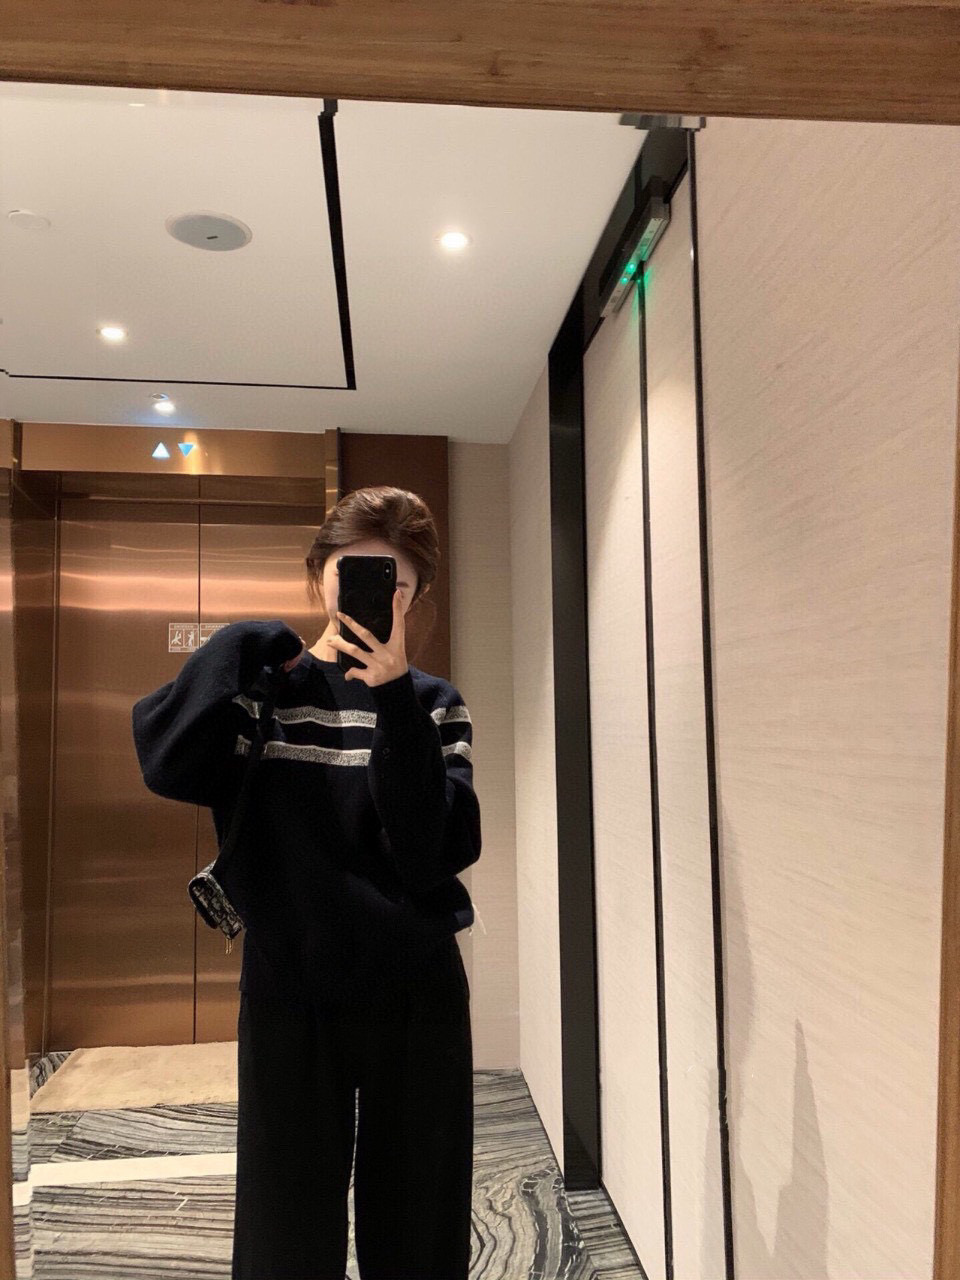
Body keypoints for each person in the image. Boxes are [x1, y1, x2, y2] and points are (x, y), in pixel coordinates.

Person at [131, 485, 481, 1280]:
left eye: (395, 584)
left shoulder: (433, 705)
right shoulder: (265, 694)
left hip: (415, 993)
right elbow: (164, 758)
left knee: (419, 1222)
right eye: (353, 573)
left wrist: (393, 696)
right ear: (319, 572)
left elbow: (435, 849)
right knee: (284, 1226)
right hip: (291, 988)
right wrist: (243, 643)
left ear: (418, 594)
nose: (375, 597)